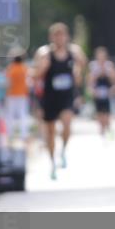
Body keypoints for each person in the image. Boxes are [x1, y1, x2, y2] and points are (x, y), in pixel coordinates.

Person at [34, 23, 87, 179]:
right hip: (49, 97)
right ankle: (52, 163)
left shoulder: (74, 52)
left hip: (67, 96)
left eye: (62, 35)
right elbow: (37, 75)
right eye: (56, 35)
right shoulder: (44, 53)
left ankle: (63, 150)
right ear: (51, 38)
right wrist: (42, 68)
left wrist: (78, 70)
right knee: (50, 132)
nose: (59, 39)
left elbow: (83, 64)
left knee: (67, 122)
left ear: (67, 36)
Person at [88, 47, 115, 139]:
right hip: (98, 93)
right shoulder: (93, 66)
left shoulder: (109, 66)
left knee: (107, 113)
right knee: (99, 113)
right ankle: (102, 130)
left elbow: (114, 79)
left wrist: (107, 73)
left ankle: (108, 129)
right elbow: (90, 80)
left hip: (107, 92)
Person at [5, 51, 31, 141]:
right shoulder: (25, 68)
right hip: (23, 94)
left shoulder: (11, 69)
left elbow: (8, 82)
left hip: (11, 94)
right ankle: (24, 134)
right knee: (23, 114)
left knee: (10, 115)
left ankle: (9, 133)